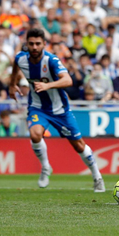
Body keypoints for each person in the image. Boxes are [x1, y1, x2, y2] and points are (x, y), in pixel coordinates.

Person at [9, 28, 105, 192]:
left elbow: (67, 80)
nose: (34, 47)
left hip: (60, 110)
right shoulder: (20, 59)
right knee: (35, 134)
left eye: (38, 44)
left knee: (79, 146)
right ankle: (46, 167)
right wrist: (12, 85)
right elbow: (15, 70)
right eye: (31, 44)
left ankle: (97, 177)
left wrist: (48, 85)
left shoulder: (51, 60)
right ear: (26, 44)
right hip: (37, 107)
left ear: (44, 45)